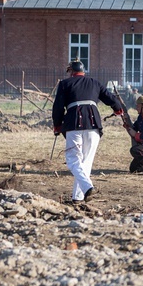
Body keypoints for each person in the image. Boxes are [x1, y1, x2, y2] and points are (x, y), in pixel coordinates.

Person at [52, 60, 123, 203]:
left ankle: (87, 187)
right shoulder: (94, 83)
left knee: (72, 160)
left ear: (71, 71)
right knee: (86, 162)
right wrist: (118, 109)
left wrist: (57, 125)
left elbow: (58, 107)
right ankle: (78, 197)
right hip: (93, 125)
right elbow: (111, 98)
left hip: (73, 124)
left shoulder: (65, 84)